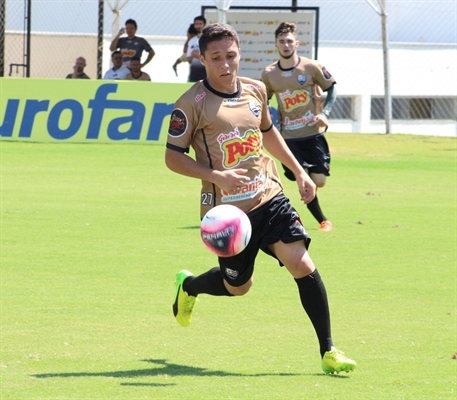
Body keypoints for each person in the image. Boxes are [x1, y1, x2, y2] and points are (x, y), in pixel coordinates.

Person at [165, 22, 356, 375]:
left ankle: (328, 350)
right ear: (203, 59)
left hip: (269, 196)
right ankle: (189, 285)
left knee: (301, 263)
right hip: (227, 214)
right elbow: (172, 157)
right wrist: (214, 175)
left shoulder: (255, 90)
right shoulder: (190, 104)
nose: (225, 64)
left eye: (231, 56)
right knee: (238, 287)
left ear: (240, 54)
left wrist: (298, 171)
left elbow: (268, 134)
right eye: (216, 58)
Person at [261, 22, 338, 232]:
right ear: (276, 44)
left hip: (313, 135)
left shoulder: (311, 67)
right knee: (301, 177)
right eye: (281, 41)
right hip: (288, 138)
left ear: (297, 43)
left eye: (289, 41)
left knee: (319, 181)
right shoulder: (269, 74)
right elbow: (263, 100)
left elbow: (332, 89)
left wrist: (325, 114)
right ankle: (322, 221)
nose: (285, 45)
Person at [186, 15, 207, 82]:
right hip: (194, 74)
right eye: (196, 24)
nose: (198, 26)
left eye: (200, 24)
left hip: (206, 74)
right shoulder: (192, 41)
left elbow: (211, 58)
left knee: (204, 92)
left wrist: (197, 55)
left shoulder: (209, 39)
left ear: (204, 25)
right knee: (193, 92)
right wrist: (192, 57)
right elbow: (188, 59)